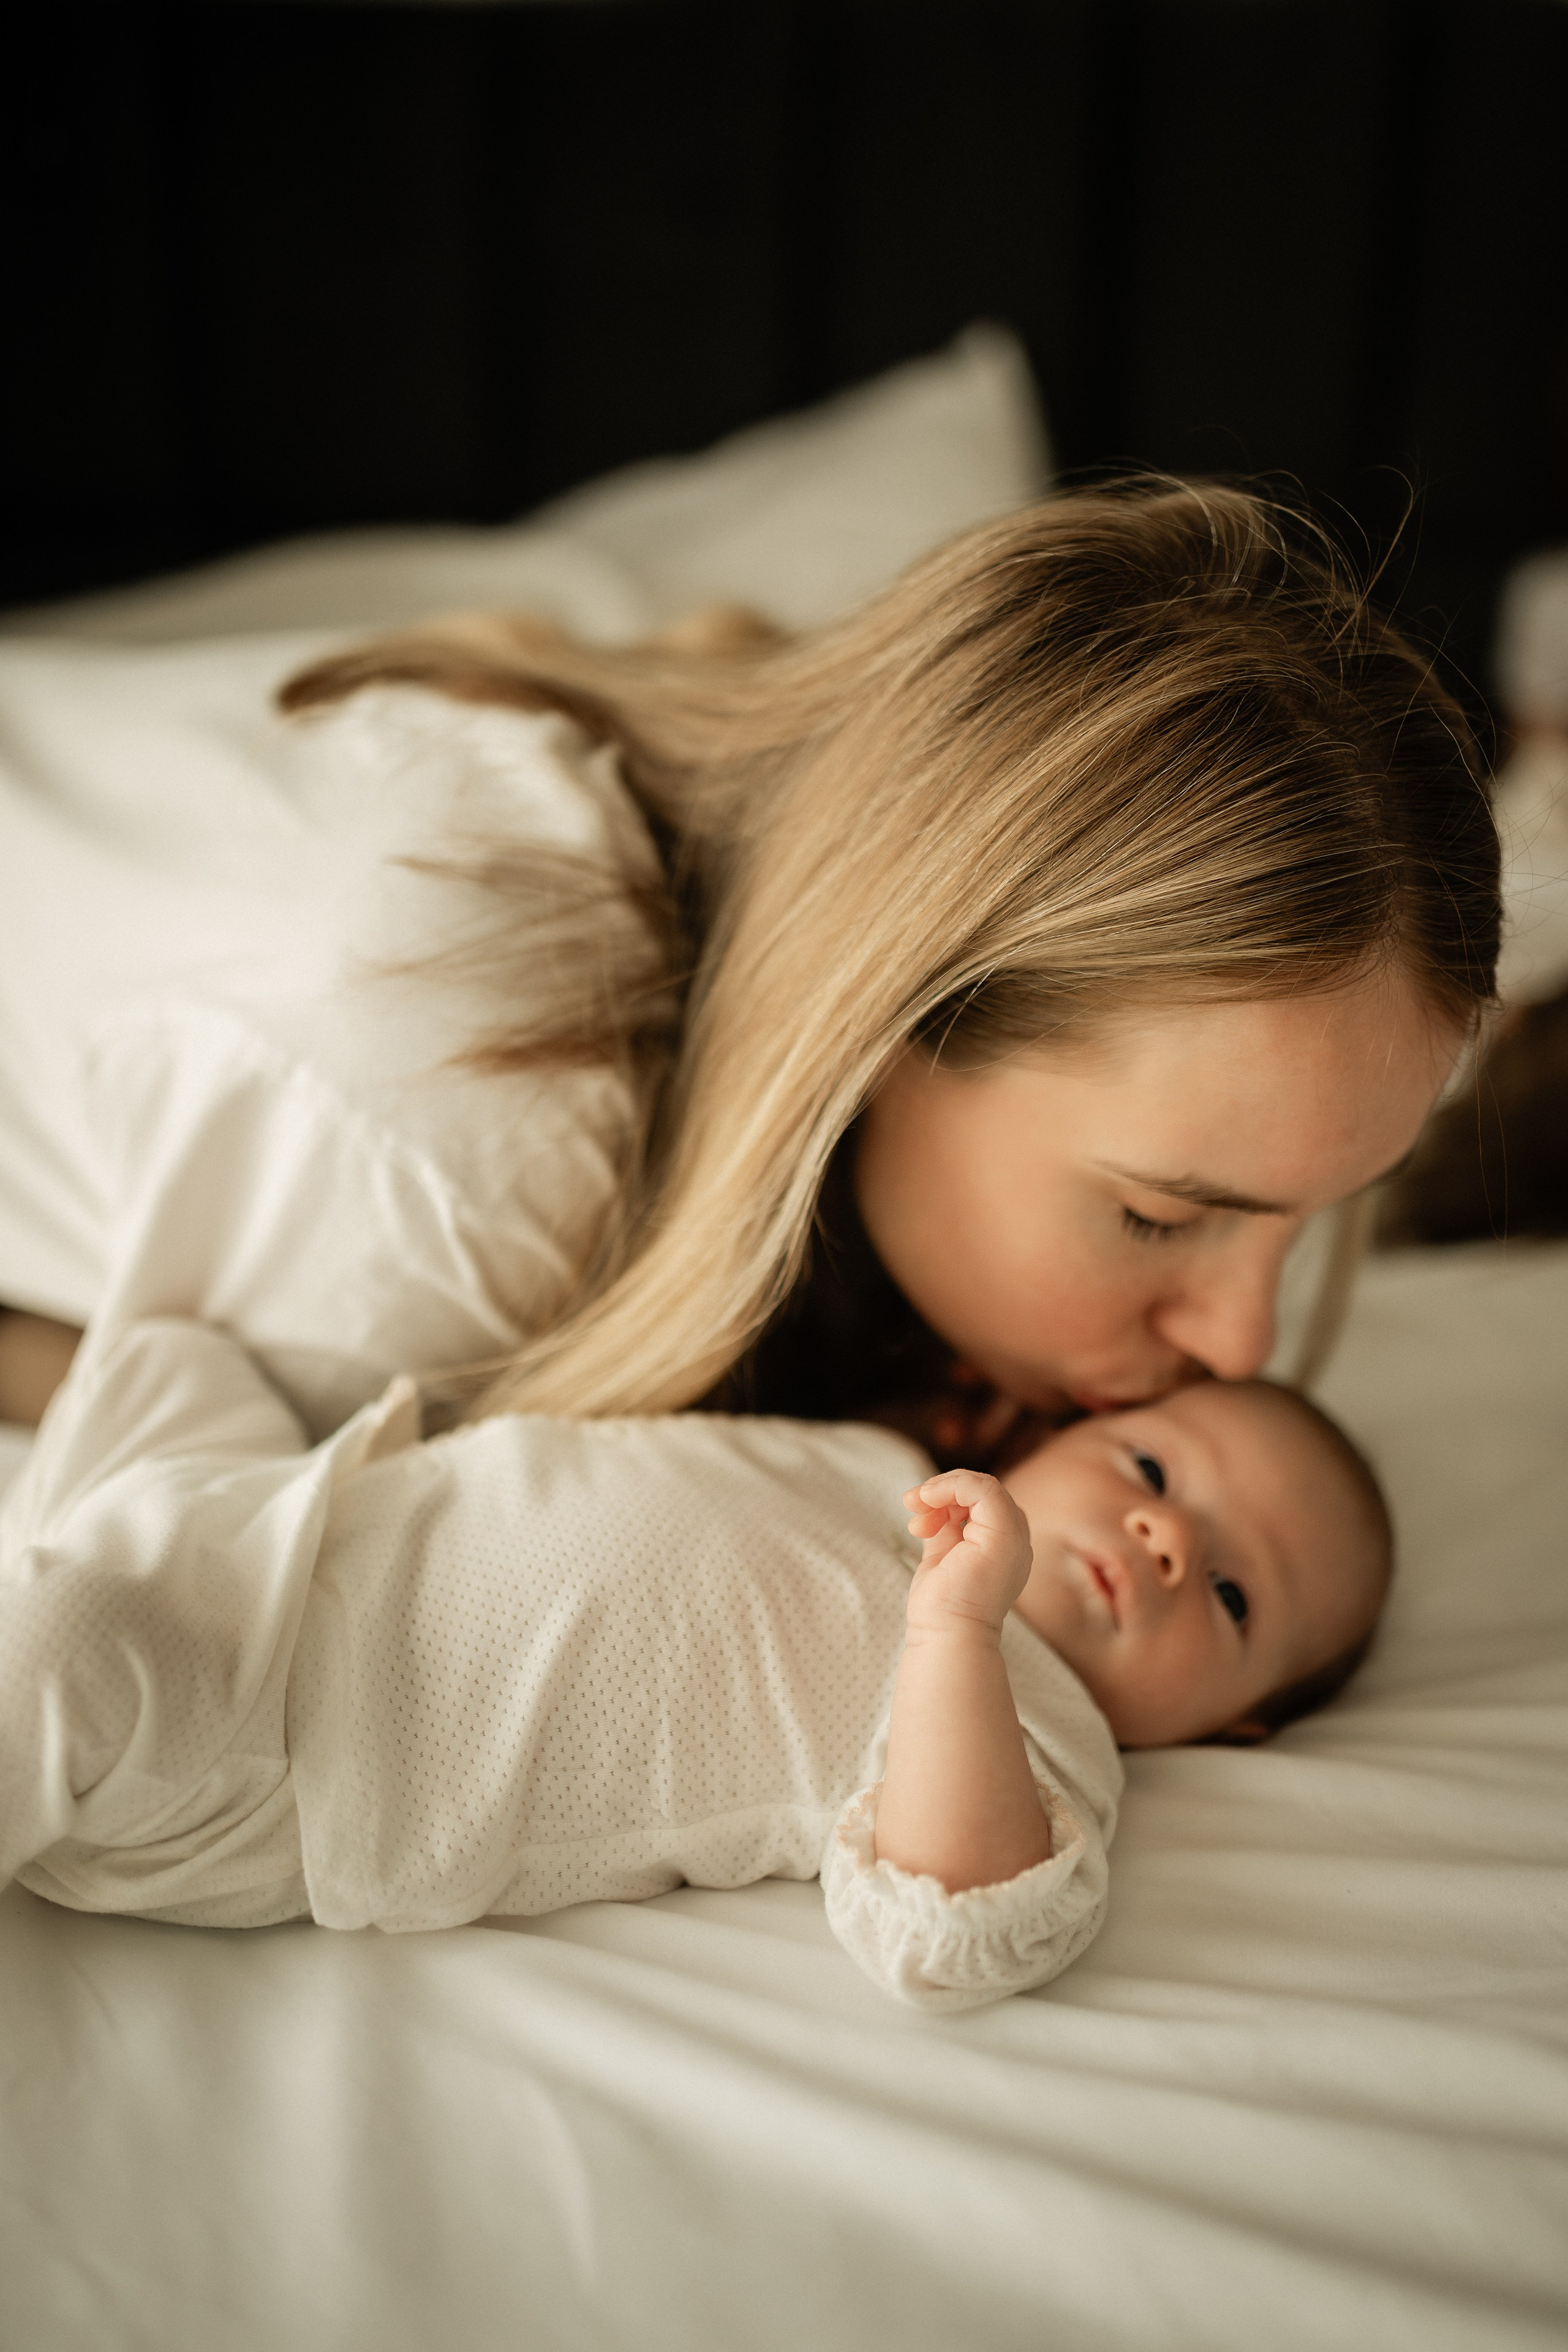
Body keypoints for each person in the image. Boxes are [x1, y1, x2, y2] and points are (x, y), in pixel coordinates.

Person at [0, 482, 1500, 1460]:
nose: (1240, 1343)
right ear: (880, 1015)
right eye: (1157, 1216)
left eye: (1315, 1217)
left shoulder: (789, 822)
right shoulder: (452, 1134)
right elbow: (193, 1493)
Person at [0, 1312, 1390, 2010]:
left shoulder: (1034, 1733)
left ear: (1230, 1729)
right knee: (168, 1358)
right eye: (1152, 1469)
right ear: (1044, 1437)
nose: (1159, 1536)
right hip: (289, 1527)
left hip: (299, 1744)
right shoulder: (883, 1465)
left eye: (1224, 1591)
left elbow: (954, 1925)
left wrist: (955, 1632)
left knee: (69, 1645)